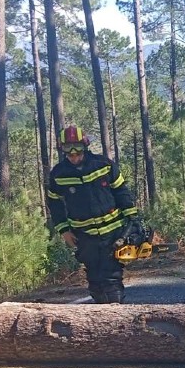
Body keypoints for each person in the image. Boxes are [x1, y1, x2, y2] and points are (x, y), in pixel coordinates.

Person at [46, 125, 140, 304]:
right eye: (68, 149)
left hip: (113, 232)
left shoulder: (103, 165)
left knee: (111, 277)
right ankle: (100, 320)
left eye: (77, 149)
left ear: (85, 146)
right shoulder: (58, 175)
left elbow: (121, 192)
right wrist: (64, 230)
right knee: (94, 278)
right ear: (62, 149)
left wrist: (132, 218)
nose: (74, 155)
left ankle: (116, 317)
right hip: (84, 236)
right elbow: (55, 205)